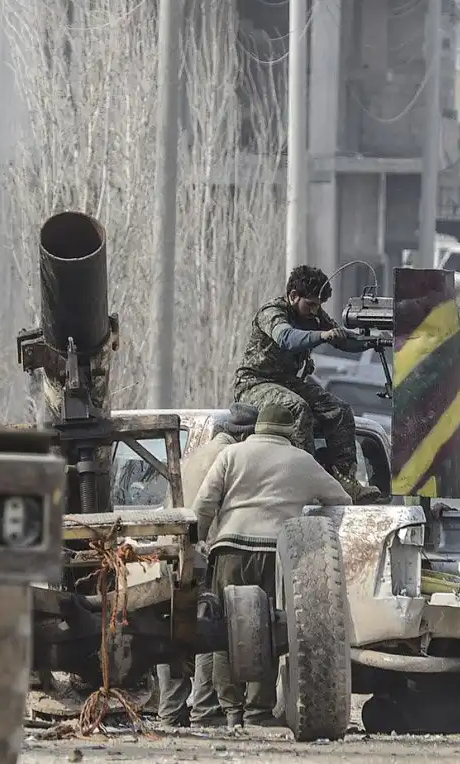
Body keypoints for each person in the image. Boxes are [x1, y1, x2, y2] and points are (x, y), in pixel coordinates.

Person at [192, 404, 354, 728]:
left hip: (229, 550)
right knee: (265, 632)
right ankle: (257, 711)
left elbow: (204, 505)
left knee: (224, 630)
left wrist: (197, 543)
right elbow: (341, 500)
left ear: (258, 428)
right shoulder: (302, 461)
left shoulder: (232, 454)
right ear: (289, 431)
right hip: (274, 554)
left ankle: (231, 709)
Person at [233, 265, 379, 501]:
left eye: (318, 305)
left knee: (339, 410)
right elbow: (287, 338)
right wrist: (322, 335)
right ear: (293, 296)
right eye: (310, 304)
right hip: (255, 382)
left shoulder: (313, 315)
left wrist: (373, 341)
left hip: (287, 382)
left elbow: (341, 340)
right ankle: (306, 481)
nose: (314, 310)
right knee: (297, 409)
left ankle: (345, 481)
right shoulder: (272, 313)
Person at [156, 403, 258, 728]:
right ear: (246, 436)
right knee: (208, 624)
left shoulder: (198, 453)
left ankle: (171, 710)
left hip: (167, 546)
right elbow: (210, 510)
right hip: (196, 549)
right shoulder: (230, 458)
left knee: (173, 626)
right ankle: (205, 709)